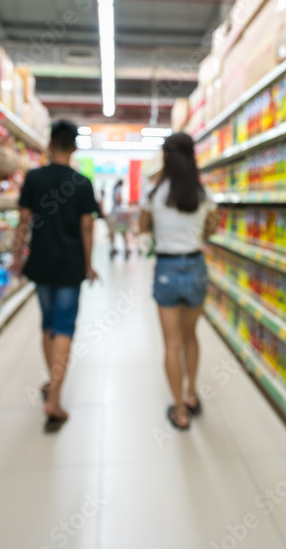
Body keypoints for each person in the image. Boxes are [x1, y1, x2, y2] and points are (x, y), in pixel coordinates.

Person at [12, 120, 99, 432]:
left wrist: (16, 257)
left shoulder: (34, 178)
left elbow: (23, 222)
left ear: (50, 145)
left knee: (48, 324)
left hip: (40, 262)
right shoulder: (82, 183)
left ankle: (52, 381)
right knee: (64, 327)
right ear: (74, 147)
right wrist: (89, 264)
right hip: (70, 265)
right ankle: (55, 398)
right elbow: (87, 227)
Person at [139, 132, 217, 431]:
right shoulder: (202, 193)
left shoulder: (154, 194)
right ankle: (192, 393)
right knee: (191, 337)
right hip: (195, 265)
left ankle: (180, 411)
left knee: (171, 344)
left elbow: (142, 226)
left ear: (167, 157)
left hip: (167, 267)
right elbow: (211, 229)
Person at [107, 179, 133, 259]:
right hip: (118, 213)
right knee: (123, 230)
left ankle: (113, 247)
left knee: (113, 231)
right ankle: (125, 247)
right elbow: (118, 198)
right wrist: (123, 201)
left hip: (115, 211)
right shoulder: (118, 189)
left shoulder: (114, 189)